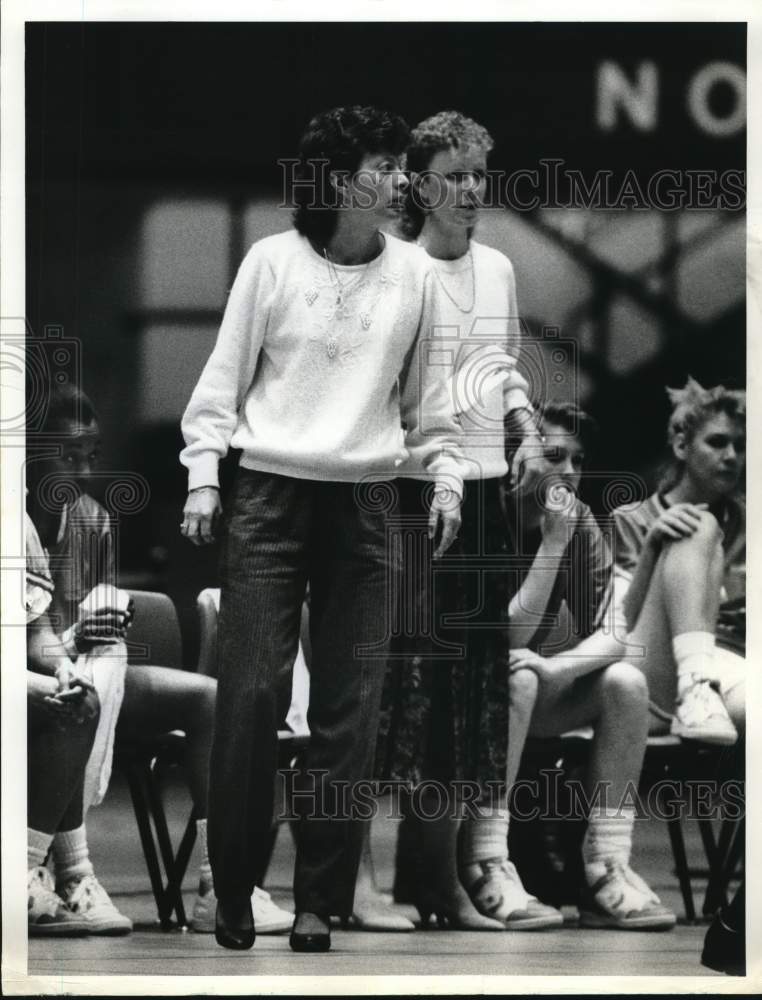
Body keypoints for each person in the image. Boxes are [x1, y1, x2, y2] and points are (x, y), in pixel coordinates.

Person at [180, 105, 464, 952]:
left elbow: (430, 408)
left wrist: (445, 481)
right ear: (340, 181)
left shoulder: (417, 276)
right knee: (253, 699)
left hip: (371, 505)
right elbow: (219, 385)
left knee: (350, 714)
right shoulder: (271, 262)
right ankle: (233, 891)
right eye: (384, 166)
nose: (401, 183)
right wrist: (203, 478)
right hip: (268, 496)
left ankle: (319, 901)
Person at [26, 384, 293, 936]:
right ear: (29, 449)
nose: (81, 470)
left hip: (86, 663)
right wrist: (73, 648)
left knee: (208, 698)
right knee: (88, 688)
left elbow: (92, 618)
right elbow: (37, 636)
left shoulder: (94, 519)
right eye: (67, 455)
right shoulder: (11, 519)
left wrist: (99, 625)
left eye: (91, 456)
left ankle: (222, 884)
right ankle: (65, 870)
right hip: (33, 671)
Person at [374, 110, 543, 930]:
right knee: (406, 693)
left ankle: (438, 883)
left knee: (469, 695)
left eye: (480, 172)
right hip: (408, 499)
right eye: (455, 173)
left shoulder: (501, 269)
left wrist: (526, 427)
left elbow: (502, 363)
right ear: (419, 183)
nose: (472, 188)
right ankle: (382, 886)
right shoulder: (394, 268)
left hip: (480, 501)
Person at [460, 402, 677, 931]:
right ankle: (485, 859)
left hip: (527, 691)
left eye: (578, 460)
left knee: (625, 683)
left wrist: (562, 671)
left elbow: (615, 634)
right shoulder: (485, 516)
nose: (570, 472)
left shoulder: (578, 519)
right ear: (519, 458)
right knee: (520, 673)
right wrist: (552, 544)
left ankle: (607, 863)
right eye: (555, 456)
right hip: (456, 703)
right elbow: (502, 638)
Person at [612, 377, 745, 743]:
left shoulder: (752, 523)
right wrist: (654, 549)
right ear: (682, 445)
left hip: (738, 664)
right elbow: (617, 627)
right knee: (696, 525)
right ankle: (696, 686)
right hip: (655, 666)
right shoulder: (632, 520)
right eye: (717, 442)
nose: (732, 456)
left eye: (741, 445)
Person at [26, 511, 101, 936]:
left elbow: (38, 631)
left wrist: (63, 667)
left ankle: (56, 871)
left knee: (78, 697)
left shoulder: (18, 521)